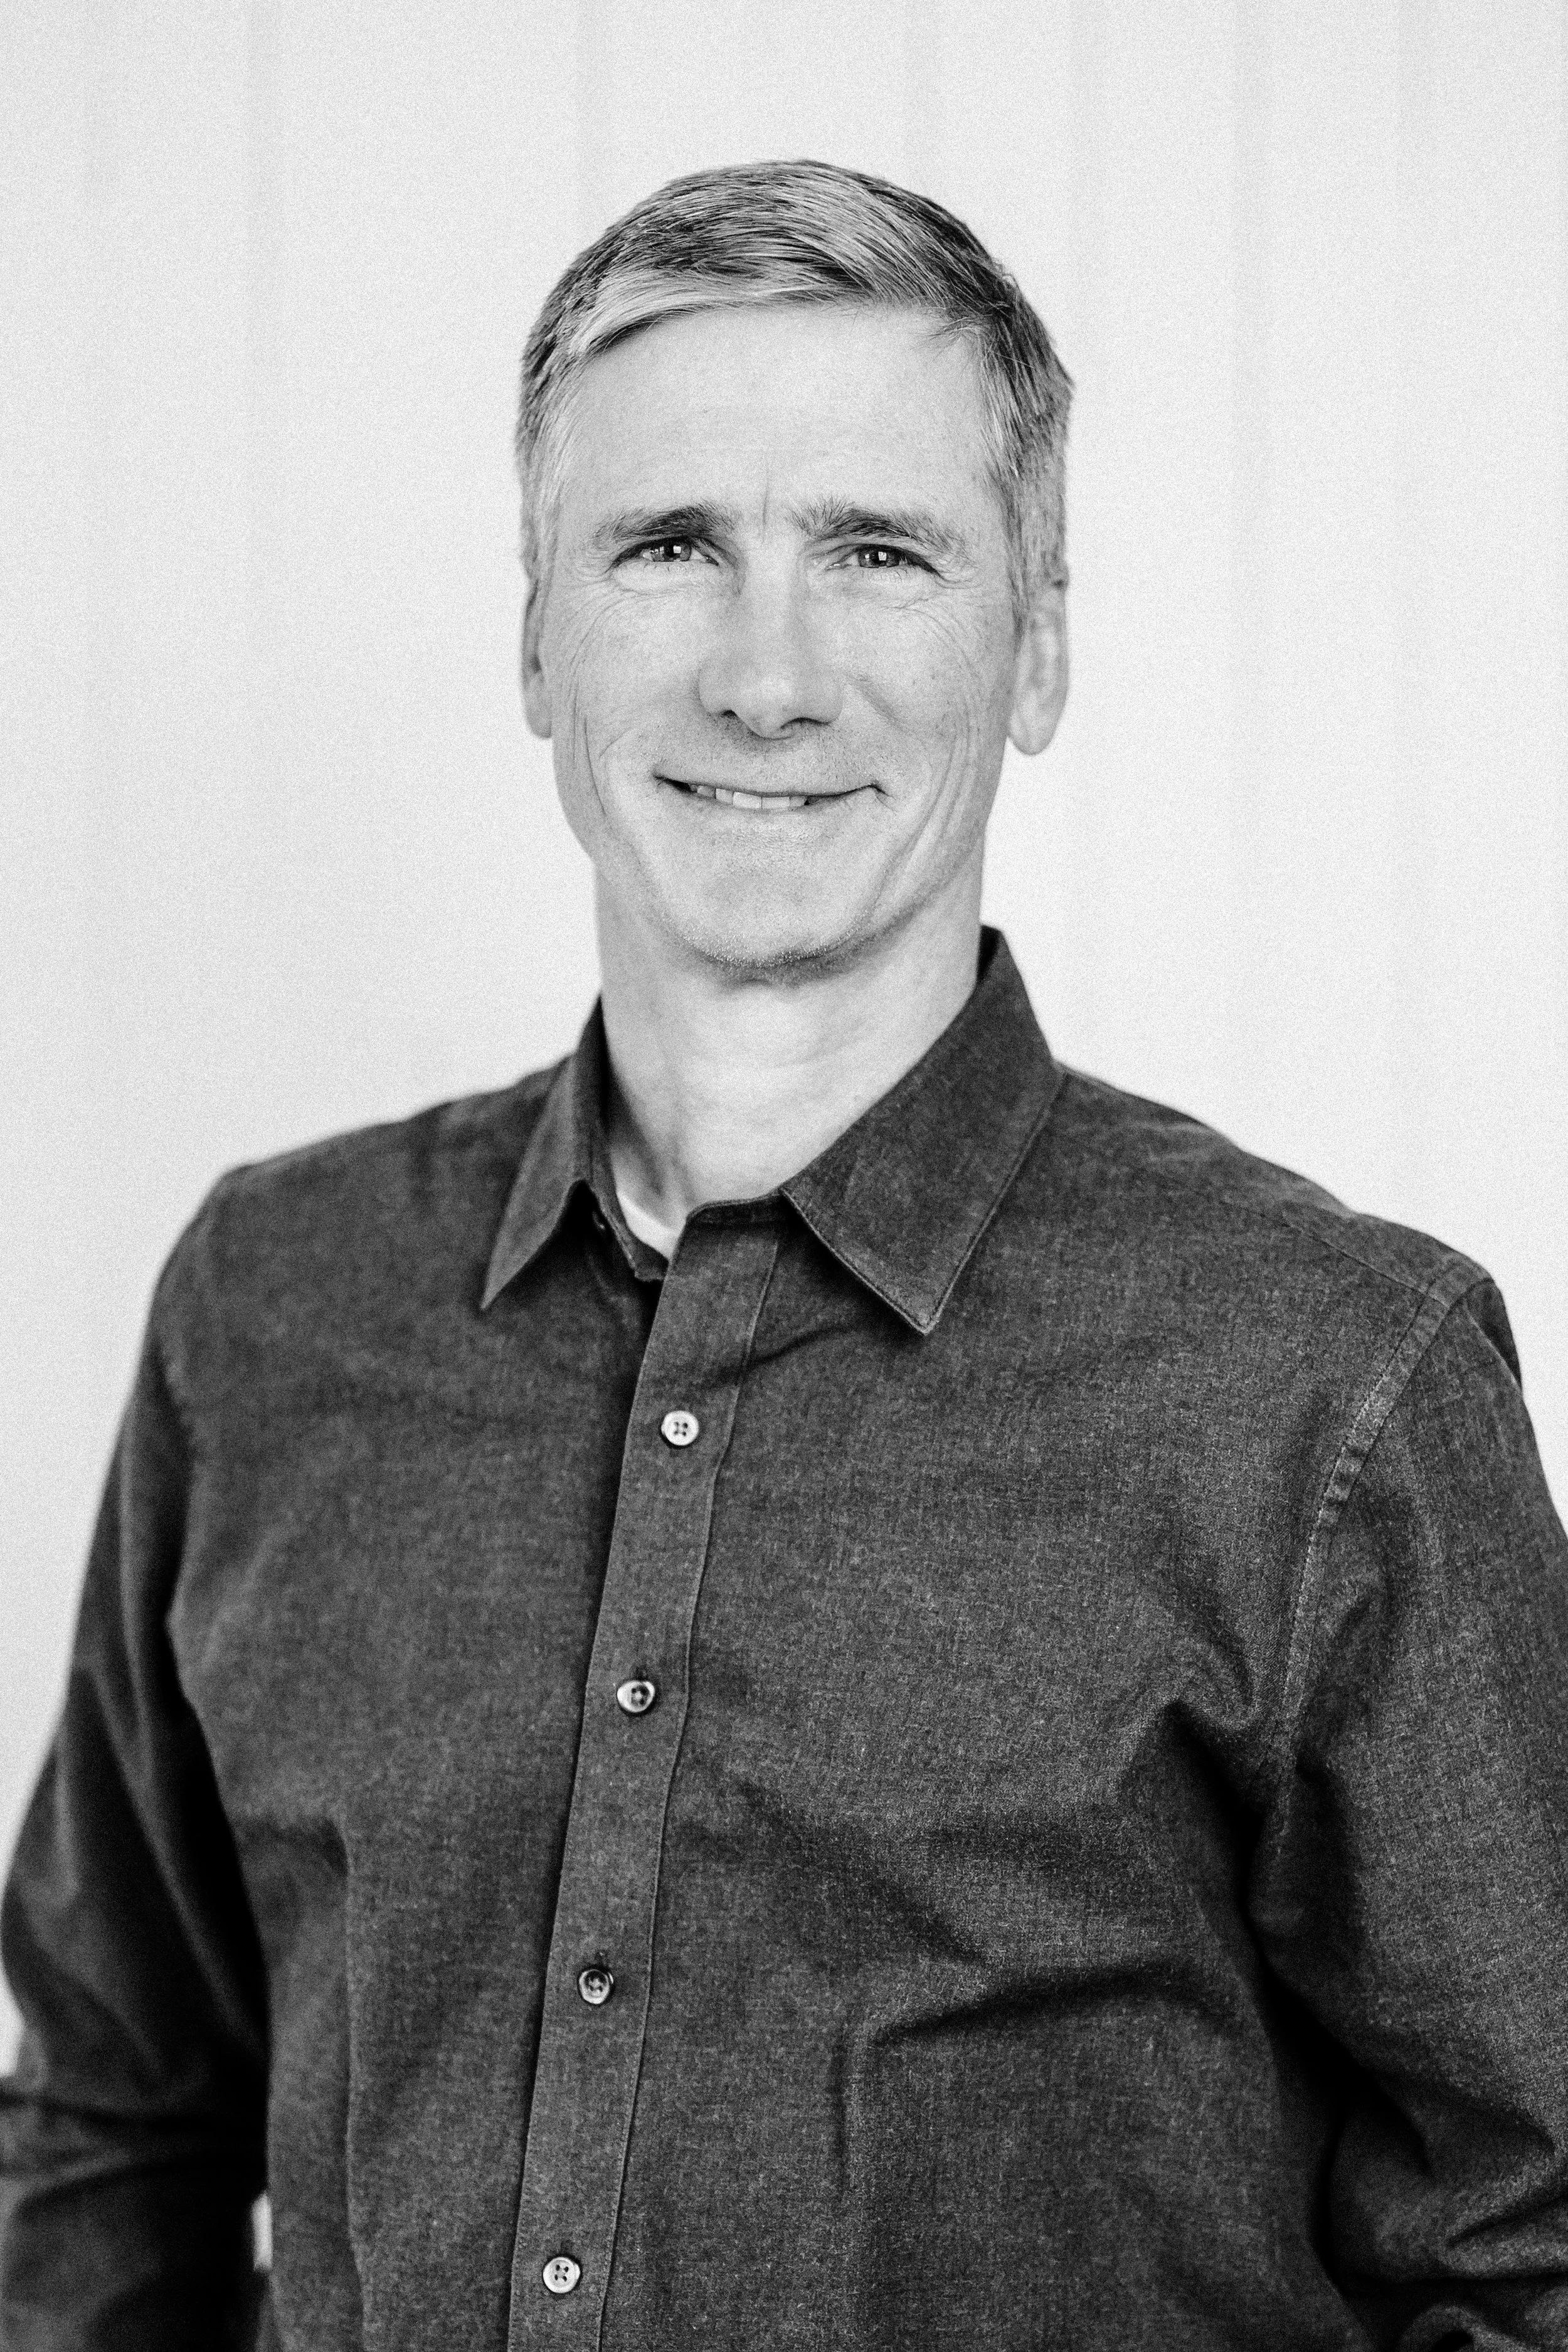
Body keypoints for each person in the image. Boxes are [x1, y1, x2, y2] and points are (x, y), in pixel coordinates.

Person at [2, 158, 1565, 2352]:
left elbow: (1534, 2248)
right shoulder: (270, 1307)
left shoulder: (1329, 1380)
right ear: (535, 638)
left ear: (1032, 646)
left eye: (878, 552)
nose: (765, 674)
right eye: (665, 549)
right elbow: (102, 2133)